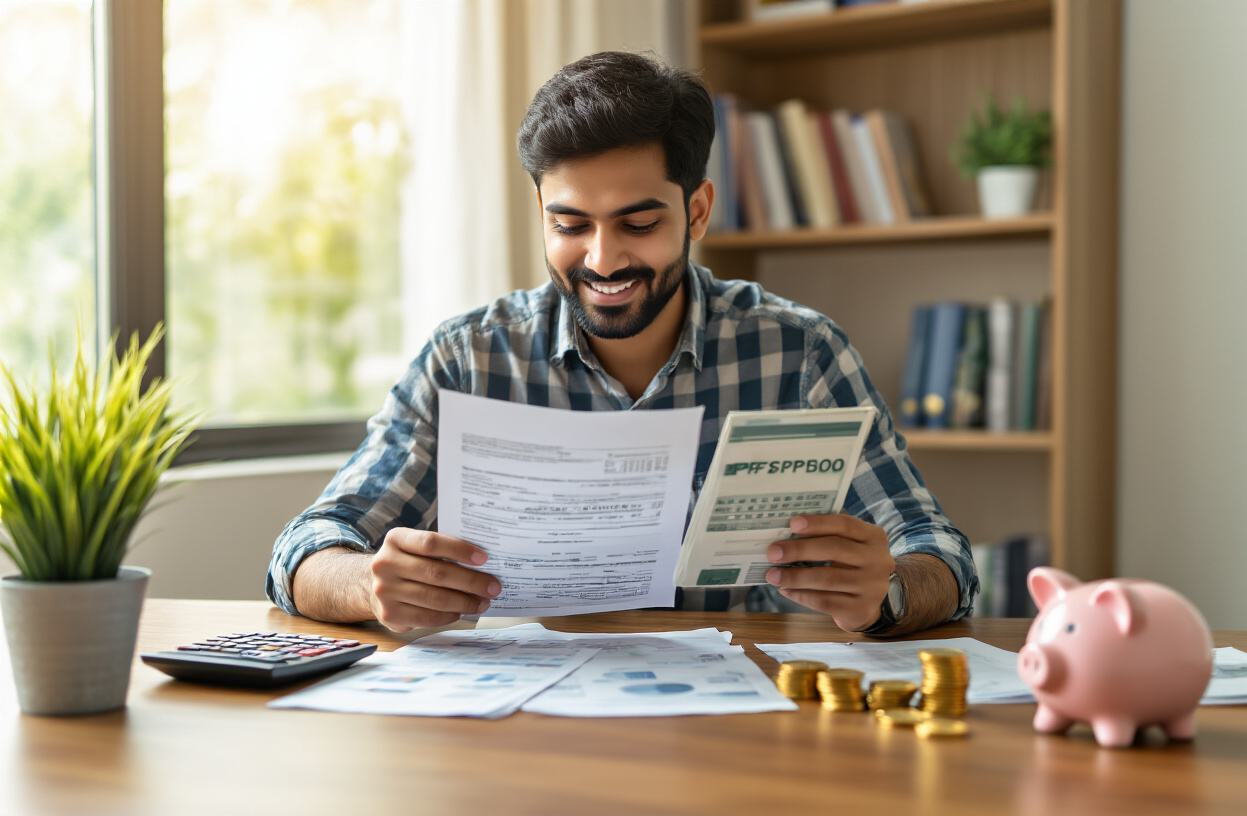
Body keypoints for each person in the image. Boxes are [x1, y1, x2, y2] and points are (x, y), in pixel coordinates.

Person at [267, 51, 977, 636]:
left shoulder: (800, 352)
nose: (603, 259)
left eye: (638, 224)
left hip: (736, 724)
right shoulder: (467, 358)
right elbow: (306, 547)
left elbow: (940, 554)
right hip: (518, 725)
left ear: (695, 209)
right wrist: (369, 584)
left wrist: (887, 591)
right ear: (542, 212)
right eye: (571, 224)